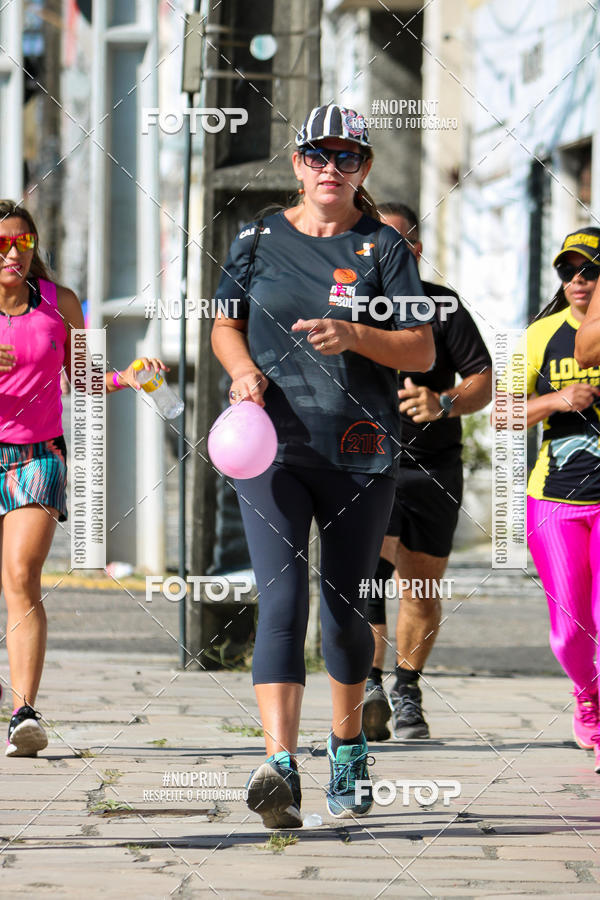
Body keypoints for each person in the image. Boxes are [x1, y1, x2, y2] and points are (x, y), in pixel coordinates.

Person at [211, 105, 435, 827]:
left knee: (343, 610)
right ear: (298, 162)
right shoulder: (254, 237)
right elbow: (225, 324)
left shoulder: (384, 250)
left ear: (363, 168)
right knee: (281, 601)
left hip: (359, 451)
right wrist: (242, 369)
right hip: (270, 447)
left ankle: (344, 748)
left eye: (345, 158)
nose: (329, 169)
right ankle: (278, 764)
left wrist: (357, 335)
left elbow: (423, 352)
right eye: (316, 156)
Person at [0, 199, 165, 757]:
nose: (12, 254)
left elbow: (84, 379)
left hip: (37, 457)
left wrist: (129, 376)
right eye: (1, 244)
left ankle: (24, 711)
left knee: (21, 575)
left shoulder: (59, 302)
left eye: (21, 242)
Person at [362, 203, 492, 742]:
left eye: (398, 244)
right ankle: (368, 685)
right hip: (366, 461)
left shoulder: (443, 305)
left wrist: (442, 401)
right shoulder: (351, 306)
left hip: (433, 465)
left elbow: (483, 380)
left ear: (415, 250)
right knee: (369, 571)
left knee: (421, 581)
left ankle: (407, 688)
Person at [502, 226, 600, 774]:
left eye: (589, 270)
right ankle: (587, 695)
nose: (578, 281)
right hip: (556, 500)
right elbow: (503, 413)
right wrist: (558, 400)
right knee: (569, 631)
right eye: (568, 271)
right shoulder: (540, 336)